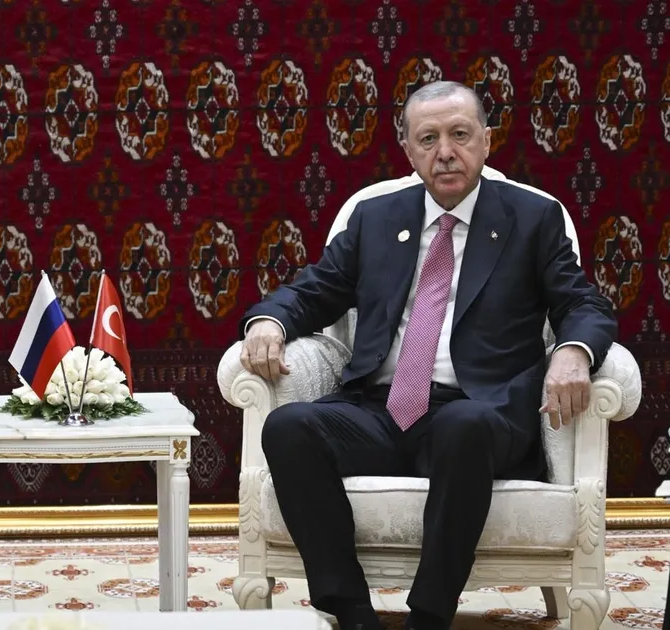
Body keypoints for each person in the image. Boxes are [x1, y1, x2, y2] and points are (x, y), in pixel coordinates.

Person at [238, 81, 617, 630]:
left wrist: (574, 351)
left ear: (486, 140)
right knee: (288, 426)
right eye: (429, 139)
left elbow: (583, 303)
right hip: (381, 410)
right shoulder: (374, 217)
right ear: (409, 150)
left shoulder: (532, 218)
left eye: (460, 135)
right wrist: (269, 320)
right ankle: (351, 610)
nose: (445, 152)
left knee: (463, 425)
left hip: (479, 415)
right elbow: (314, 291)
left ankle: (429, 615)